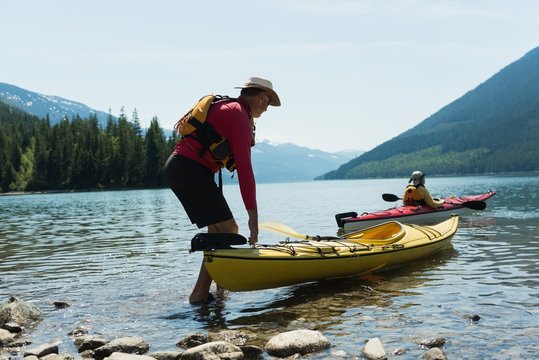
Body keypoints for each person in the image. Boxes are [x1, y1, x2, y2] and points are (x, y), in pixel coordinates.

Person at [164, 76, 280, 304]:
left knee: (217, 231)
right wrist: (253, 217)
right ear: (261, 98)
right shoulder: (239, 115)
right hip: (190, 170)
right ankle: (199, 294)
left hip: (183, 169)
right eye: (268, 104)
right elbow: (245, 171)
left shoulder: (229, 107)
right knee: (229, 228)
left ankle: (217, 291)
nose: (266, 110)